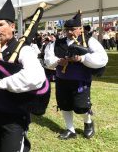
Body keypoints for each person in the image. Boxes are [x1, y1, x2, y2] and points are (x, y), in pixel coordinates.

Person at [0, 0, 47, 151]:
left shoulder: (23, 50)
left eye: (0, 25)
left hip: (15, 115)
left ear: (12, 27)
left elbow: (35, 77)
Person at [44, 11, 108, 140]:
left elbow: (102, 58)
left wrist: (82, 58)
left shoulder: (89, 41)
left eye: (73, 29)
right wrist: (58, 61)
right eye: (67, 29)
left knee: (81, 106)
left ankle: (88, 123)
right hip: (62, 79)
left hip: (81, 80)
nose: (69, 32)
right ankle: (70, 129)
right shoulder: (56, 43)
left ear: (80, 29)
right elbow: (48, 59)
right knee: (64, 104)